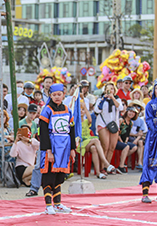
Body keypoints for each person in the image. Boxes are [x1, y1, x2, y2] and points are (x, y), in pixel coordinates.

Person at [39, 83, 76, 215]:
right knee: (49, 174)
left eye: (59, 94)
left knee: (60, 175)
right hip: (52, 145)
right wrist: (48, 150)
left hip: (64, 147)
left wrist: (72, 148)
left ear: (63, 94)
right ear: (50, 95)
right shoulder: (47, 110)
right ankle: (48, 205)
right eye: (54, 95)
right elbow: (43, 131)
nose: (57, 97)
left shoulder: (67, 109)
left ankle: (58, 203)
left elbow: (72, 129)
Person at [79, 100, 115, 179]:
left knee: (94, 148)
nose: (81, 111)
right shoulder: (76, 122)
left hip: (89, 142)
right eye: (80, 109)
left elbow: (90, 120)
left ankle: (98, 172)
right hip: (81, 143)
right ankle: (106, 163)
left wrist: (85, 107)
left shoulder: (86, 121)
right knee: (96, 140)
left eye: (83, 110)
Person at [94, 82, 123, 170]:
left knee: (112, 147)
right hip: (102, 124)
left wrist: (113, 98)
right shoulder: (100, 99)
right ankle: (101, 167)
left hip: (114, 125)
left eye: (112, 89)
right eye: (108, 89)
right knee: (105, 146)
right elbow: (97, 110)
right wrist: (104, 99)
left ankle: (107, 167)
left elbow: (120, 108)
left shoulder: (117, 99)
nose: (110, 91)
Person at [116, 106, 139, 174]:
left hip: (124, 140)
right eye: (130, 111)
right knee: (126, 147)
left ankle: (121, 159)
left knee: (134, 147)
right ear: (127, 112)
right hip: (117, 140)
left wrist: (125, 141)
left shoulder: (131, 123)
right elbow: (117, 132)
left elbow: (127, 134)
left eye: (133, 112)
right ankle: (121, 166)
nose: (131, 113)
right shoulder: (121, 120)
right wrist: (122, 142)